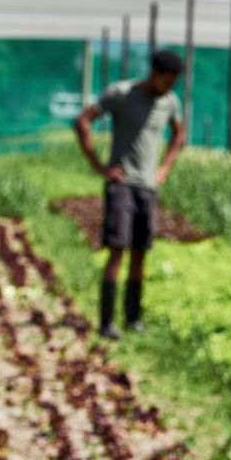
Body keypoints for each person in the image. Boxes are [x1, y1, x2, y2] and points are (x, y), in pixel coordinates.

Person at [73, 49, 186, 339]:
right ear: (155, 74)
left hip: (147, 187)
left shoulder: (169, 102)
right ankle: (107, 322)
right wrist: (98, 165)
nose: (169, 88)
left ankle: (133, 319)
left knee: (140, 253)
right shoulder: (121, 93)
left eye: (174, 84)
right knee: (117, 251)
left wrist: (164, 169)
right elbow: (83, 120)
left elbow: (179, 135)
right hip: (121, 184)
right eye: (167, 81)